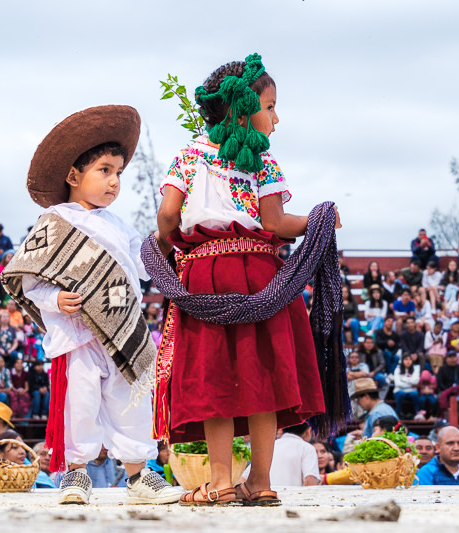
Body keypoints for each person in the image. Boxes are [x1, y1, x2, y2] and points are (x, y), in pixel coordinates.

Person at [144, 54, 349, 506]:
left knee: (214, 377)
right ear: (241, 109)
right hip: (261, 277)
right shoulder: (263, 162)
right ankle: (261, 481)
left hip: (205, 276)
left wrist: (173, 242)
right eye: (270, 106)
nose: (276, 117)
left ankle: (219, 482)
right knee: (262, 379)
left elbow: (166, 214)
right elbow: (276, 224)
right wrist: (319, 219)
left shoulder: (190, 155)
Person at [0, 104, 181, 506]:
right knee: (79, 405)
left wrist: (170, 237)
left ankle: (139, 476)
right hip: (78, 333)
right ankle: (75, 475)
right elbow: (29, 281)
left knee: (130, 402)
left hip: (123, 329)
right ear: (74, 176)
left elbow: (143, 268)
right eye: (104, 170)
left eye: (118, 173)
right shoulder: (54, 220)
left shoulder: (121, 226)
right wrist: (55, 298)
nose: (114, 181)